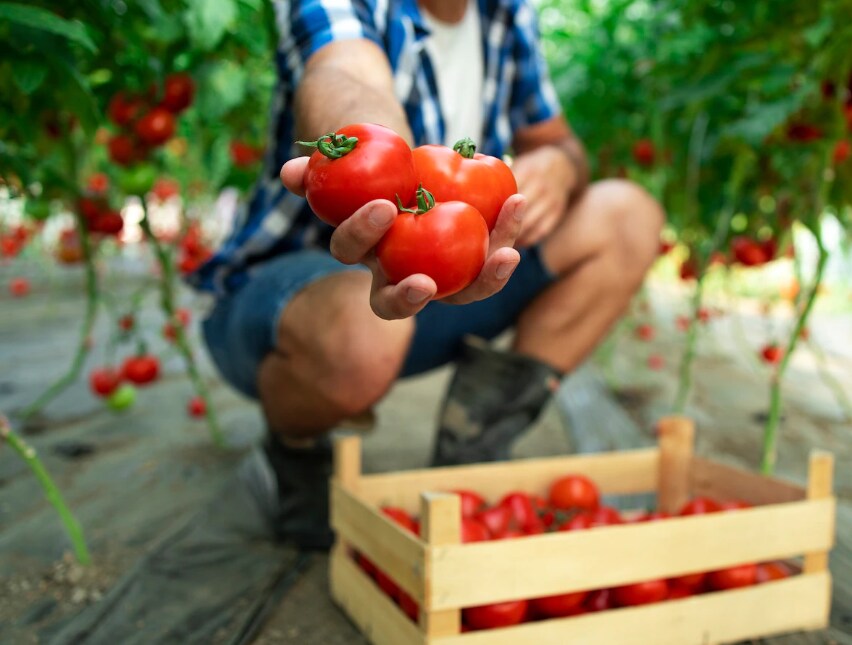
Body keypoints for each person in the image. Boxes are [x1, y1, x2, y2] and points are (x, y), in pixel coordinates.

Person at [189, 0, 664, 550]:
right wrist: (374, 170)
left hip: (442, 275)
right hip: (292, 298)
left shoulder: (506, 14)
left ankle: (474, 441)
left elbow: (556, 139)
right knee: (363, 334)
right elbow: (344, 74)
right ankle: (295, 451)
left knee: (627, 216)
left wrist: (559, 163)